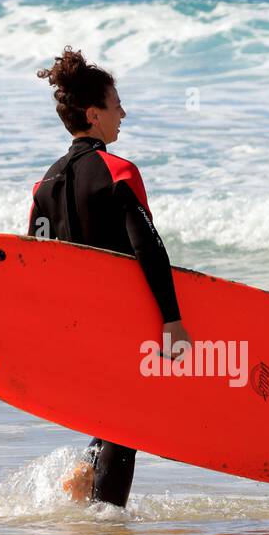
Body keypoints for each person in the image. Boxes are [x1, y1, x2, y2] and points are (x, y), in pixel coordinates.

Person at [28, 47, 191, 508]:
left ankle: (84, 483)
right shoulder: (119, 172)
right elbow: (148, 248)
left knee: (111, 414)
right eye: (117, 104)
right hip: (122, 321)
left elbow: (35, 264)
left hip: (74, 329)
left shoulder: (45, 184)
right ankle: (106, 523)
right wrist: (172, 320)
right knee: (128, 420)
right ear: (94, 114)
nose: (124, 112)